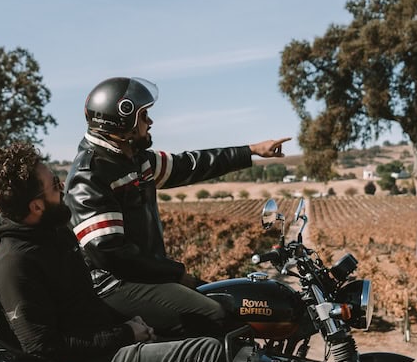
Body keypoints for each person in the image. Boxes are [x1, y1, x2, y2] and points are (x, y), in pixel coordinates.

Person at [0, 142, 228, 362]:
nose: (63, 189)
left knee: (195, 332)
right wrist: (125, 333)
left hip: (106, 348)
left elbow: (84, 302)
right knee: (207, 355)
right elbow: (43, 348)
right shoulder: (16, 264)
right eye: (55, 185)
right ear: (36, 206)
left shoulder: (53, 234)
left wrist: (131, 323)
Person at [66, 76, 289, 337]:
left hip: (143, 276)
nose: (150, 122)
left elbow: (191, 164)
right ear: (122, 119)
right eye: (144, 115)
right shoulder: (91, 175)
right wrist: (176, 274)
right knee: (214, 316)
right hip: (114, 285)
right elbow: (110, 253)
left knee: (236, 302)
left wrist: (251, 150)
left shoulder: (134, 160)